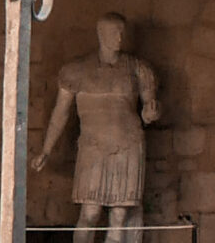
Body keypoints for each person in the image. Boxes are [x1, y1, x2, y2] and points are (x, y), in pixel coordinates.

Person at [33, 13, 161, 242]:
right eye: (114, 32)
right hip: (93, 147)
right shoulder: (77, 71)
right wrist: (46, 149)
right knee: (90, 213)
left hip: (128, 145)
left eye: (122, 32)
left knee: (120, 216)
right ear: (100, 34)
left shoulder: (138, 69)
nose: (119, 38)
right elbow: (60, 113)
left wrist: (151, 113)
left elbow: (148, 108)